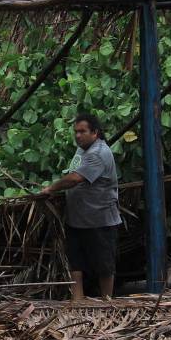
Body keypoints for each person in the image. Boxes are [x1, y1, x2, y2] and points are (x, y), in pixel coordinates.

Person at [40, 113, 122, 300]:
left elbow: (76, 178)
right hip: (77, 218)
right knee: (76, 262)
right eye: (75, 132)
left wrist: (51, 188)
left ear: (95, 132)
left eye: (82, 131)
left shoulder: (99, 153)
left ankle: (106, 303)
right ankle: (77, 301)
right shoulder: (82, 150)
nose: (77, 135)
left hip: (99, 219)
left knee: (104, 264)